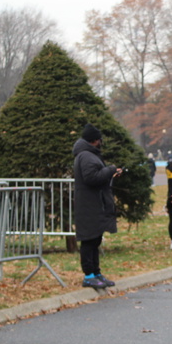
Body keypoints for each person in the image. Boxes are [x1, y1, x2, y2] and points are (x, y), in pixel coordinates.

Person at [73, 123, 121, 289]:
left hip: (94, 203)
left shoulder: (89, 155)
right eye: (100, 140)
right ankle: (89, 275)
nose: (101, 142)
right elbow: (91, 178)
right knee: (89, 240)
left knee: (95, 239)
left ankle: (96, 273)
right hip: (89, 205)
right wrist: (111, 169)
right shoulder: (86, 156)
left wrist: (110, 173)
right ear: (95, 140)